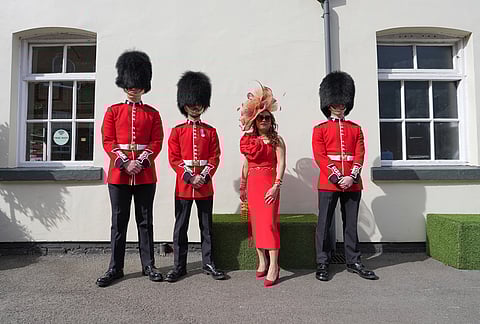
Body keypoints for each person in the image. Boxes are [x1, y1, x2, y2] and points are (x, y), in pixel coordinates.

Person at [97, 50, 164, 287]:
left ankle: (149, 265)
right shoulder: (113, 112)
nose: (134, 87)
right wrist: (125, 162)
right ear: (124, 83)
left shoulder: (153, 114)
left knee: (145, 221)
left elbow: (156, 142)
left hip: (145, 174)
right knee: (119, 222)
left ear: (144, 85)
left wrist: (141, 161)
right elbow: (108, 141)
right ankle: (115, 267)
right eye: (130, 83)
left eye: (138, 84)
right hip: (119, 174)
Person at [312, 71, 378, 281]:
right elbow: (320, 156)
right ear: (328, 104)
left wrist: (351, 176)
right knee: (324, 223)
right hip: (329, 183)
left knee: (350, 223)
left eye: (342, 104)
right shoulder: (320, 129)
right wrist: (336, 177)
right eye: (335, 104)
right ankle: (322, 262)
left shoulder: (355, 129)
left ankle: (354, 260)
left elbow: (360, 154)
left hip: (352, 182)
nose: (339, 107)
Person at [166, 71, 225, 282]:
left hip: (205, 186)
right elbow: (174, 158)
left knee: (206, 228)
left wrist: (204, 176)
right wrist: (191, 177)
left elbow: (214, 157)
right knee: (180, 228)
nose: (195, 106)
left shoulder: (210, 132)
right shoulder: (177, 131)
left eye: (199, 102)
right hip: (184, 186)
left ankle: (209, 263)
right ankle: (179, 266)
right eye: (191, 102)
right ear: (185, 104)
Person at [238, 84, 286, 288]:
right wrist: (242, 186)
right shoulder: (249, 141)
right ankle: (262, 261)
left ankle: (274, 265)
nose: (264, 120)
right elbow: (247, 163)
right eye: (260, 117)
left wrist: (276, 186)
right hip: (253, 185)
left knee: (269, 224)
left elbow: (282, 163)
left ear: (271, 120)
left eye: (267, 117)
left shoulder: (277, 140)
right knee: (256, 224)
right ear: (255, 121)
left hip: (269, 185)